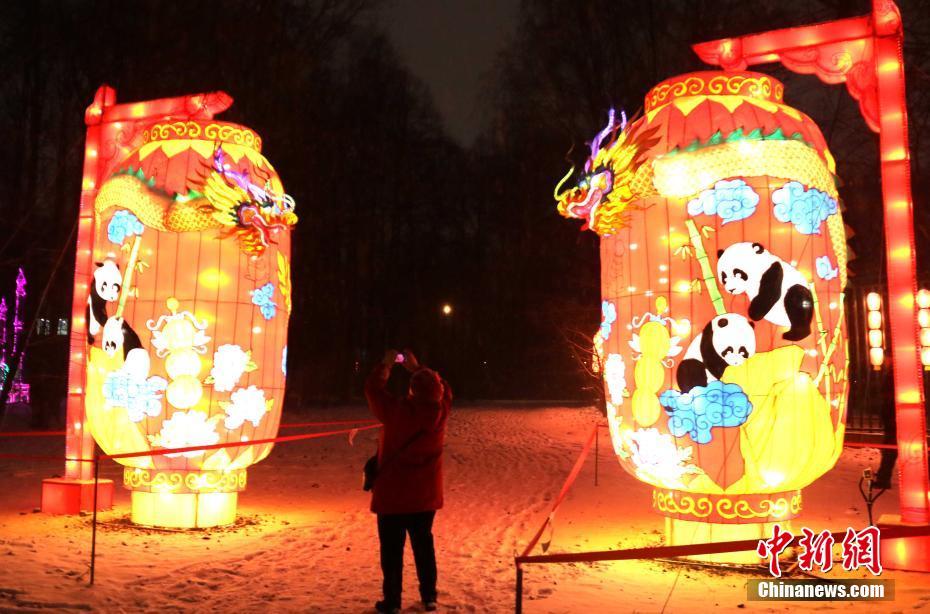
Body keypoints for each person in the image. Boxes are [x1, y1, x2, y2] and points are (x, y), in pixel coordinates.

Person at [365, 348, 452, 614]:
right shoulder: (440, 412)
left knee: (391, 553)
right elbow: (445, 388)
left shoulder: (396, 411)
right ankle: (429, 596)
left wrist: (386, 365)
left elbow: (373, 390)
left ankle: (392, 601)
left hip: (393, 495)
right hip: (424, 496)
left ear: (412, 391)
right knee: (424, 546)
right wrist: (419, 369)